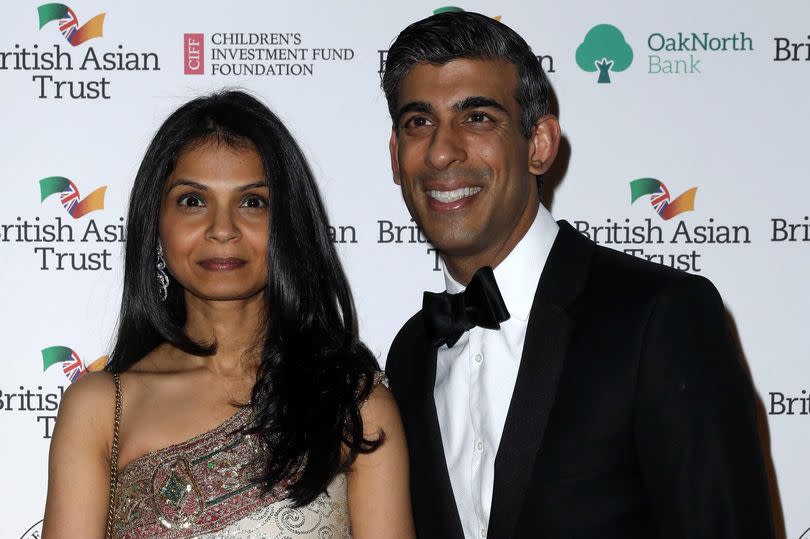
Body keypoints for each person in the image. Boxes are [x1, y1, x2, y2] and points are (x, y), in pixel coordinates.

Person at [382, 12, 775, 539]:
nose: (442, 150)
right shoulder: (410, 353)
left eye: (477, 118)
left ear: (540, 144)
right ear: (395, 156)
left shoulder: (660, 315)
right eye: (418, 122)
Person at [42, 91, 415, 539]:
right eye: (192, 201)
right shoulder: (102, 408)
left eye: (252, 202)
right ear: (156, 223)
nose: (223, 229)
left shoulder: (353, 403)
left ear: (288, 224)